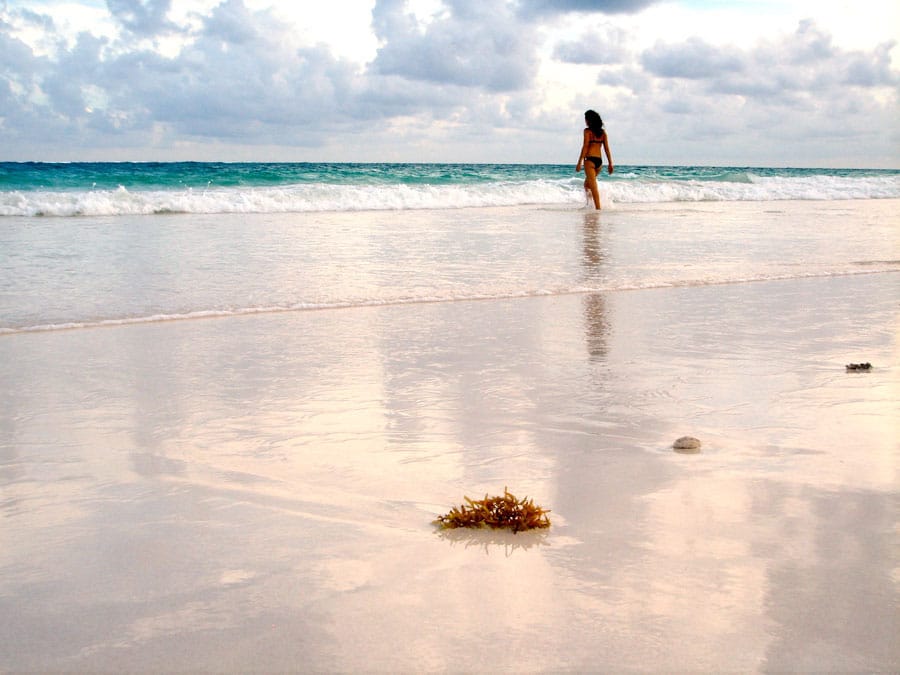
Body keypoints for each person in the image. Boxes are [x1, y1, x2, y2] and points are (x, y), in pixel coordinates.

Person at [576, 110, 614, 209]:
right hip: (599, 163)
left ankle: (598, 210)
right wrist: (610, 163)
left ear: (589, 120)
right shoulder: (603, 133)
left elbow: (585, 147)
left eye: (586, 119)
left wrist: (579, 162)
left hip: (590, 161)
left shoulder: (587, 131)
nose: (585, 121)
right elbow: (606, 149)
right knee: (587, 185)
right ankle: (590, 205)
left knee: (593, 187)